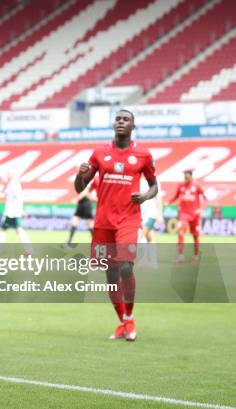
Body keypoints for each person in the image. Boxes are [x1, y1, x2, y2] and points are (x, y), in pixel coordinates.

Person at [75, 109, 157, 342]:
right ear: (114, 124)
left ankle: (129, 318)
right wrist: (80, 175)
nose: (121, 122)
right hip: (103, 222)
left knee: (125, 267)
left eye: (126, 119)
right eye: (118, 119)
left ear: (133, 126)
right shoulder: (100, 154)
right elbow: (79, 188)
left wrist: (145, 196)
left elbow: (154, 186)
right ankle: (122, 322)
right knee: (110, 275)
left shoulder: (143, 155)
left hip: (129, 220)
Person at [169, 169, 205, 263]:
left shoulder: (197, 186)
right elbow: (175, 197)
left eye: (187, 177)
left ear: (191, 177)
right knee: (180, 231)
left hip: (195, 215)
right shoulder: (181, 186)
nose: (185, 178)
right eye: (184, 176)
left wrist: (201, 208)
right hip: (184, 214)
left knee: (195, 235)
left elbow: (205, 198)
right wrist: (168, 203)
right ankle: (180, 256)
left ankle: (196, 256)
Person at [0, 170, 32, 252]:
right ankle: (29, 250)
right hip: (14, 212)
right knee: (19, 231)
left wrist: (21, 209)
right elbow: (5, 194)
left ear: (13, 174)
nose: (8, 175)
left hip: (11, 212)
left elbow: (18, 198)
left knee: (3, 230)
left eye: (9, 173)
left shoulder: (14, 184)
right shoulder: (12, 184)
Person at [64, 177, 98, 247]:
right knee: (75, 222)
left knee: (89, 225)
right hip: (82, 205)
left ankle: (96, 243)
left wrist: (76, 199)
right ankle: (69, 242)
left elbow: (85, 192)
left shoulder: (87, 182)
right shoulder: (83, 183)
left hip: (86, 205)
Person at [138, 178, 164, 268]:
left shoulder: (154, 179)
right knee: (149, 236)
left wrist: (159, 213)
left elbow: (158, 197)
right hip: (141, 213)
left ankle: (144, 260)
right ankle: (153, 261)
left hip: (151, 213)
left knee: (141, 235)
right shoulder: (138, 177)